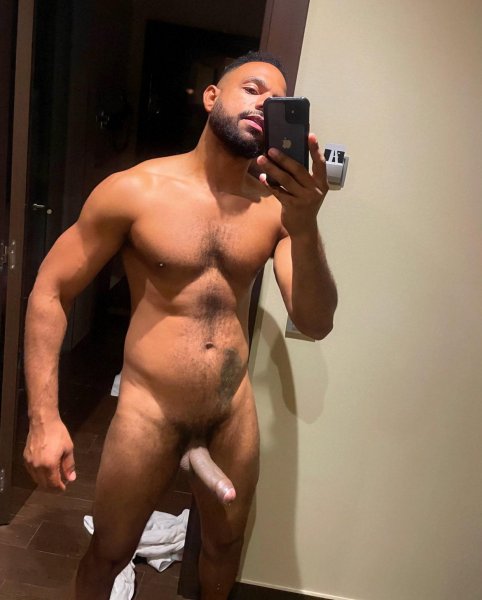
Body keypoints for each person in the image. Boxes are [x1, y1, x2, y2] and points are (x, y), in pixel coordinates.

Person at [23, 51, 337, 600]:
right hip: (150, 410)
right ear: (212, 97)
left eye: (277, 100)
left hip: (231, 412)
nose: (264, 104)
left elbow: (315, 321)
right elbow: (51, 291)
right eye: (252, 88)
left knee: (223, 550)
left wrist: (306, 226)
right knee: (109, 552)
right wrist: (44, 419)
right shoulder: (135, 191)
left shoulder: (277, 210)